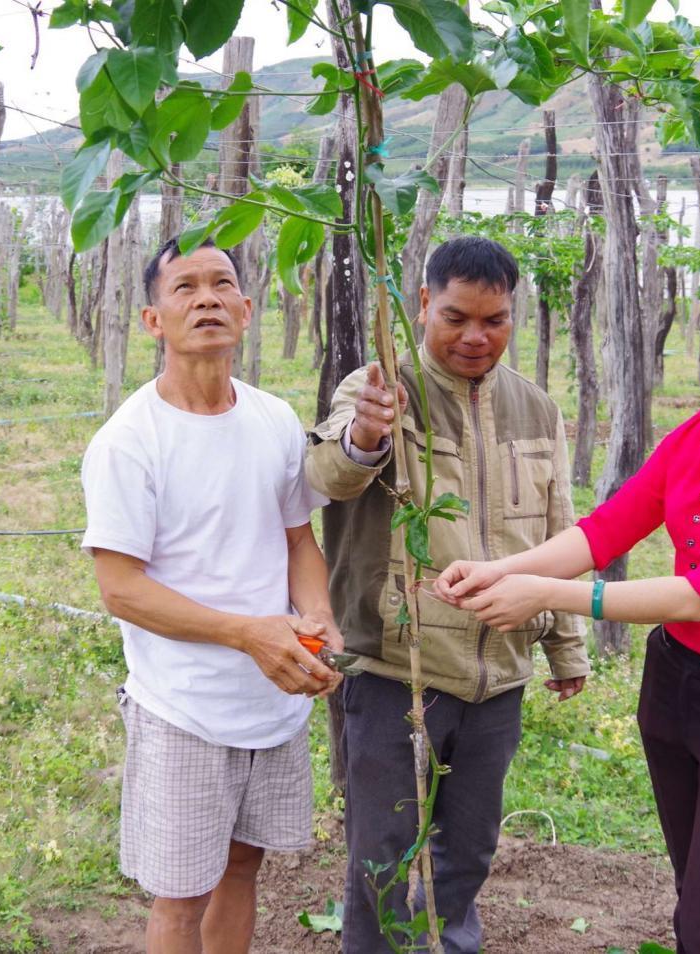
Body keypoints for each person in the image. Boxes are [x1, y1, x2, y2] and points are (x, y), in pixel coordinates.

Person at [436, 271, 700, 954]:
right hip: (676, 685)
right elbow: (605, 530)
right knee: (696, 892)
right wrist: (502, 570)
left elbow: (699, 594)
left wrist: (544, 596)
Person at [307, 236, 592, 953]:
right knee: (382, 852)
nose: (475, 337)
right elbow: (329, 476)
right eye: (457, 317)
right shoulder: (377, 389)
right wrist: (367, 435)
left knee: (467, 852)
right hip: (396, 670)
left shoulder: (535, 408)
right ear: (423, 303)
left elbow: (558, 530)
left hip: (499, 677)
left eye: (495, 320)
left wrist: (564, 644)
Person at [81, 237, 342, 954]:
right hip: (184, 705)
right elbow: (121, 589)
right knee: (180, 893)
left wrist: (314, 616)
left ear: (247, 309)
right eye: (185, 287)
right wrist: (247, 634)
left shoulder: (273, 419)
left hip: (272, 699)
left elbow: (298, 541)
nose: (206, 299)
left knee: (243, 864)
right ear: (151, 320)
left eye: (222, 284)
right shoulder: (129, 441)